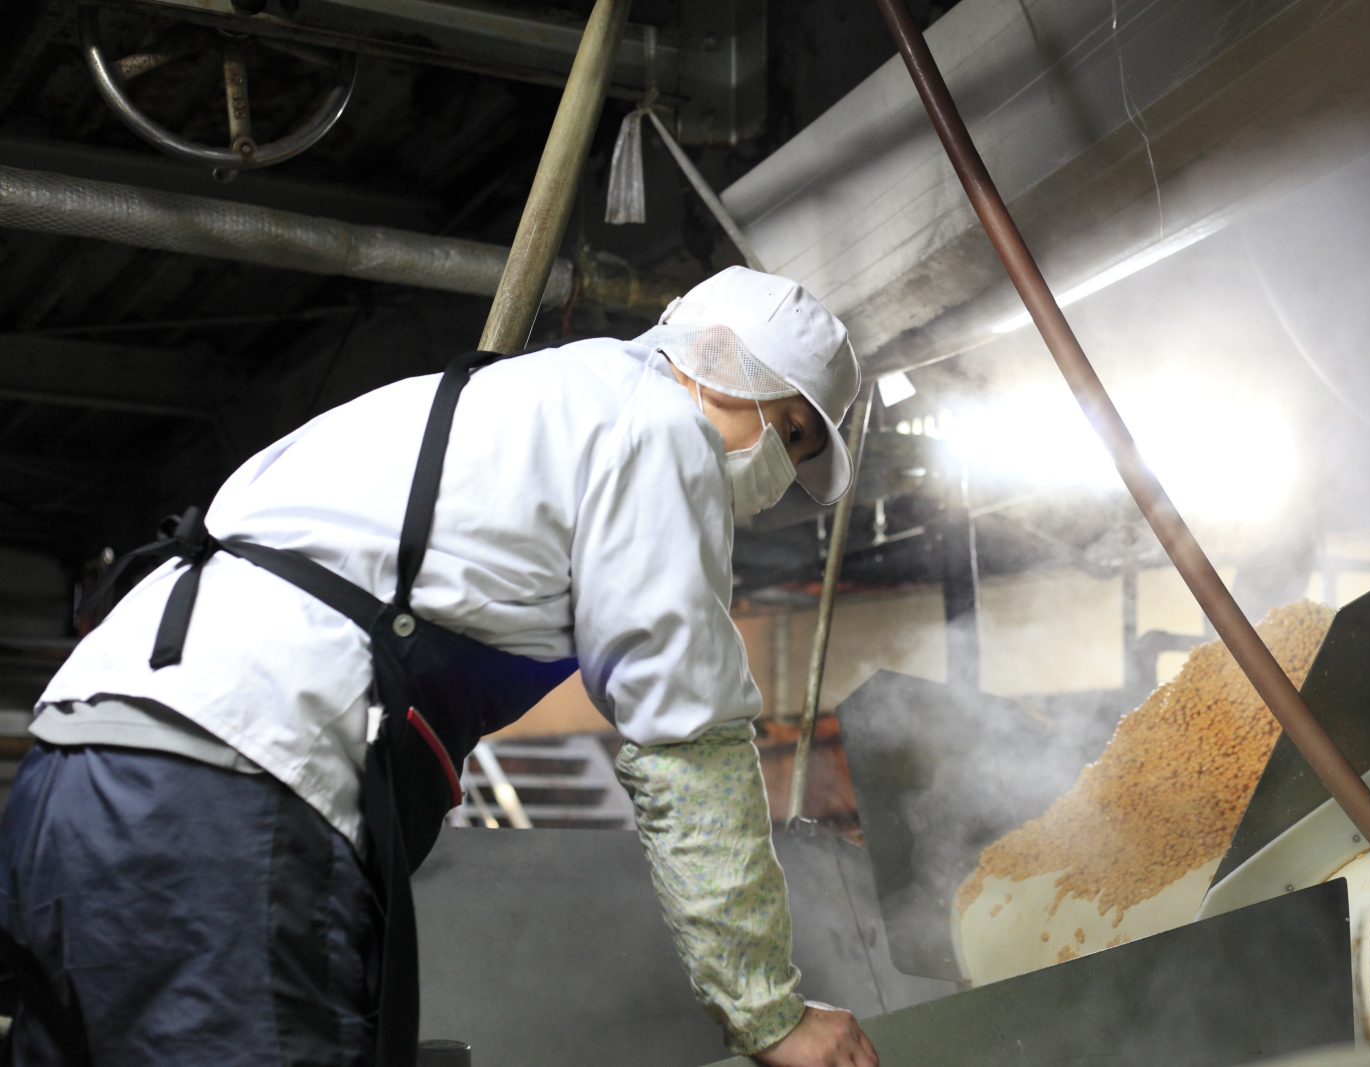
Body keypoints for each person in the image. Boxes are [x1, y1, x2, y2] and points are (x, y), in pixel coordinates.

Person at [0, 266, 881, 1067]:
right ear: (722, 367)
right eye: (791, 430)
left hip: (74, 764)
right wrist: (770, 1015)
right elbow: (689, 740)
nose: (778, 471)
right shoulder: (658, 426)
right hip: (232, 787)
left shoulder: (523, 399)